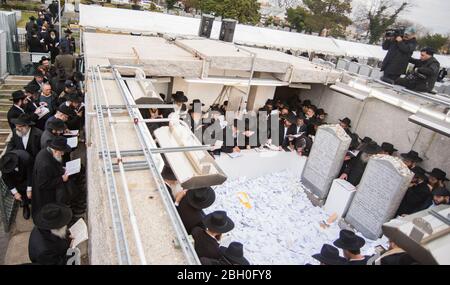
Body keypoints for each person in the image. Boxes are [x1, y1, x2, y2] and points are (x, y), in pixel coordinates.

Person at [31, 136, 71, 218]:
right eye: (61, 152)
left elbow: (53, 165)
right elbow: (43, 184)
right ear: (55, 151)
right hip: (46, 195)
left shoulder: (46, 152)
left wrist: (61, 169)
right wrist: (62, 179)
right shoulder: (45, 164)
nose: (63, 154)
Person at [0, 150, 33, 220]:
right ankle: (25, 205)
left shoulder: (26, 158)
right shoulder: (4, 164)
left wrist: (29, 189)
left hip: (27, 177)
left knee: (32, 193)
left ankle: (35, 203)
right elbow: (6, 178)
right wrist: (15, 193)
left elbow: (31, 173)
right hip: (16, 181)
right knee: (21, 194)